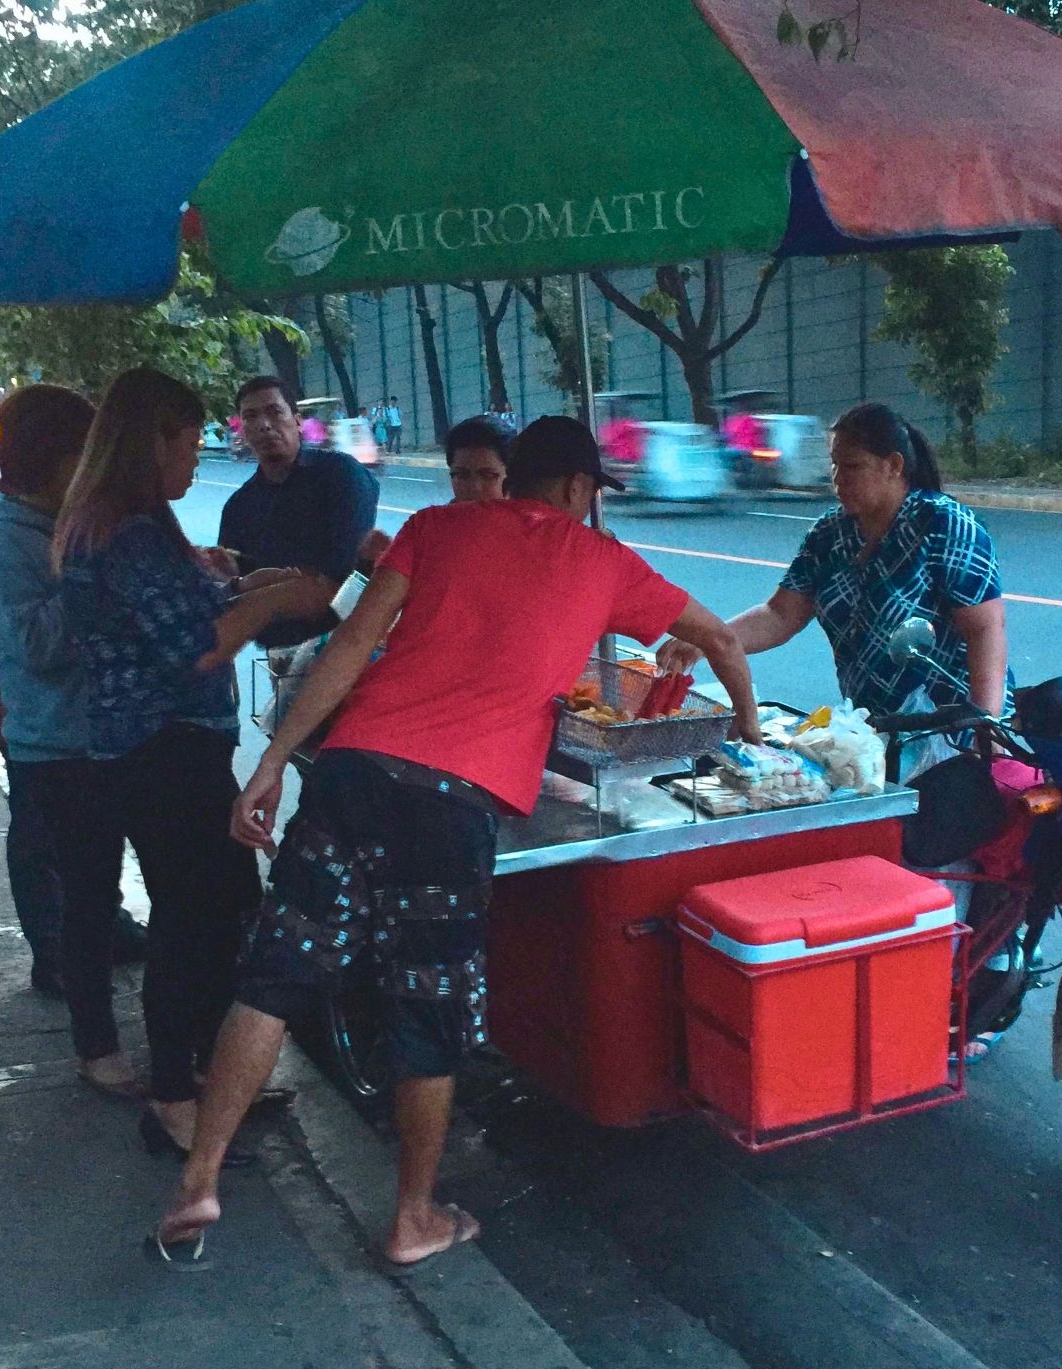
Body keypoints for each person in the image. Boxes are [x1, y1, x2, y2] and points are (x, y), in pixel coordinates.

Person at [155, 416, 760, 1269]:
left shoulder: (433, 528)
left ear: (514, 478)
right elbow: (724, 641)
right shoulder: (605, 561)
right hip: (451, 804)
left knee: (275, 974)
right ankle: (412, 1217)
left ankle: (200, 1181)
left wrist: (274, 763)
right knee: (427, 1009)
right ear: (583, 491)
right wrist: (746, 727)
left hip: (352, 773)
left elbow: (355, 642)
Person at [657, 401, 1012, 1040]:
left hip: (947, 729)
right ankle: (895, 1001)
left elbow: (985, 628)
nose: (839, 480)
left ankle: (947, 1014)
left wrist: (983, 726)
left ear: (893, 466)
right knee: (879, 861)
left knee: (935, 868)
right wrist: (710, 639)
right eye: (835, 468)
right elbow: (782, 613)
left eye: (851, 467)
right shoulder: (830, 533)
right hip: (872, 729)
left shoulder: (945, 526)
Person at [53, 367, 333, 1159]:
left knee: (215, 912)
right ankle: (176, 1096)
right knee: (193, 925)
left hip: (153, 752)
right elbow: (197, 650)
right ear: (151, 445)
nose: (195, 457)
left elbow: (182, 611)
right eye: (186, 442)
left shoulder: (121, 525)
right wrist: (278, 603)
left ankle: (208, 1075)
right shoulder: (127, 531)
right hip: (163, 755)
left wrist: (248, 583)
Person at [0, 385, 144, 1089]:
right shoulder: (6, 534)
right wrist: (92, 577)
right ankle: (97, 1046)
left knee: (117, 890)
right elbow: (33, 642)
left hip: (112, 735)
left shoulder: (67, 520)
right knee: (84, 897)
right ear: (51, 459)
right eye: (84, 456)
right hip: (55, 746)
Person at [216, 376, 378, 653]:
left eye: (274, 412)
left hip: (349, 645)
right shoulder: (238, 507)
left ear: (298, 420)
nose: (264, 425)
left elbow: (343, 574)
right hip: (279, 654)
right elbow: (229, 585)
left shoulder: (341, 475)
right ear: (242, 429)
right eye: (251, 416)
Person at [444, 416, 512, 502]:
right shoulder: (436, 515)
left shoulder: (529, 515)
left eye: (488, 476)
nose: (474, 488)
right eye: (461, 476)